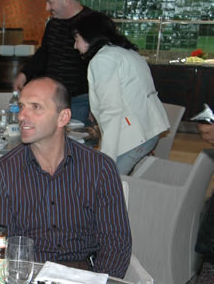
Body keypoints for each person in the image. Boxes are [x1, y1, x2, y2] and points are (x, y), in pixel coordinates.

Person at [0, 77, 131, 278]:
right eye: (21, 107)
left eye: (36, 107)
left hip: (86, 277)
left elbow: (116, 245)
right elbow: (0, 242)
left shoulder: (100, 168)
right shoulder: (3, 171)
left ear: (63, 117)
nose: (22, 116)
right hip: (28, 277)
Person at [72, 12, 170, 175]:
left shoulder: (103, 60)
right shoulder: (126, 52)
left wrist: (106, 159)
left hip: (134, 137)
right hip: (148, 131)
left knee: (106, 186)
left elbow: (112, 111)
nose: (75, 46)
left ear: (90, 36)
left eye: (77, 38)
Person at [12, 0, 93, 124]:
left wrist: (97, 105)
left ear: (66, 1)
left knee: (77, 142)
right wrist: (24, 74)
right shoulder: (53, 24)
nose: (47, 8)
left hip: (80, 102)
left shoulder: (92, 22)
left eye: (50, 2)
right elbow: (44, 53)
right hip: (52, 99)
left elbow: (101, 67)